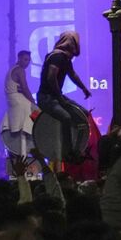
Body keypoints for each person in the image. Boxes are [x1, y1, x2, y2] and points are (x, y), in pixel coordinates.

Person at [37, 31, 91, 162]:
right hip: (46, 98)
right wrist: (60, 98)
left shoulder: (65, 59)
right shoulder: (57, 57)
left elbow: (72, 74)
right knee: (66, 118)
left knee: (83, 114)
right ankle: (68, 152)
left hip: (56, 97)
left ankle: (77, 149)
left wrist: (84, 88)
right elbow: (51, 77)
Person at [0, 50, 37, 166]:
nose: (27, 63)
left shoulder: (11, 70)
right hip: (18, 101)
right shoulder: (20, 70)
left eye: (29, 61)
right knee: (37, 113)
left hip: (12, 101)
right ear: (19, 58)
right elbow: (25, 88)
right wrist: (33, 100)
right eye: (25, 59)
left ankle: (25, 149)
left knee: (25, 127)